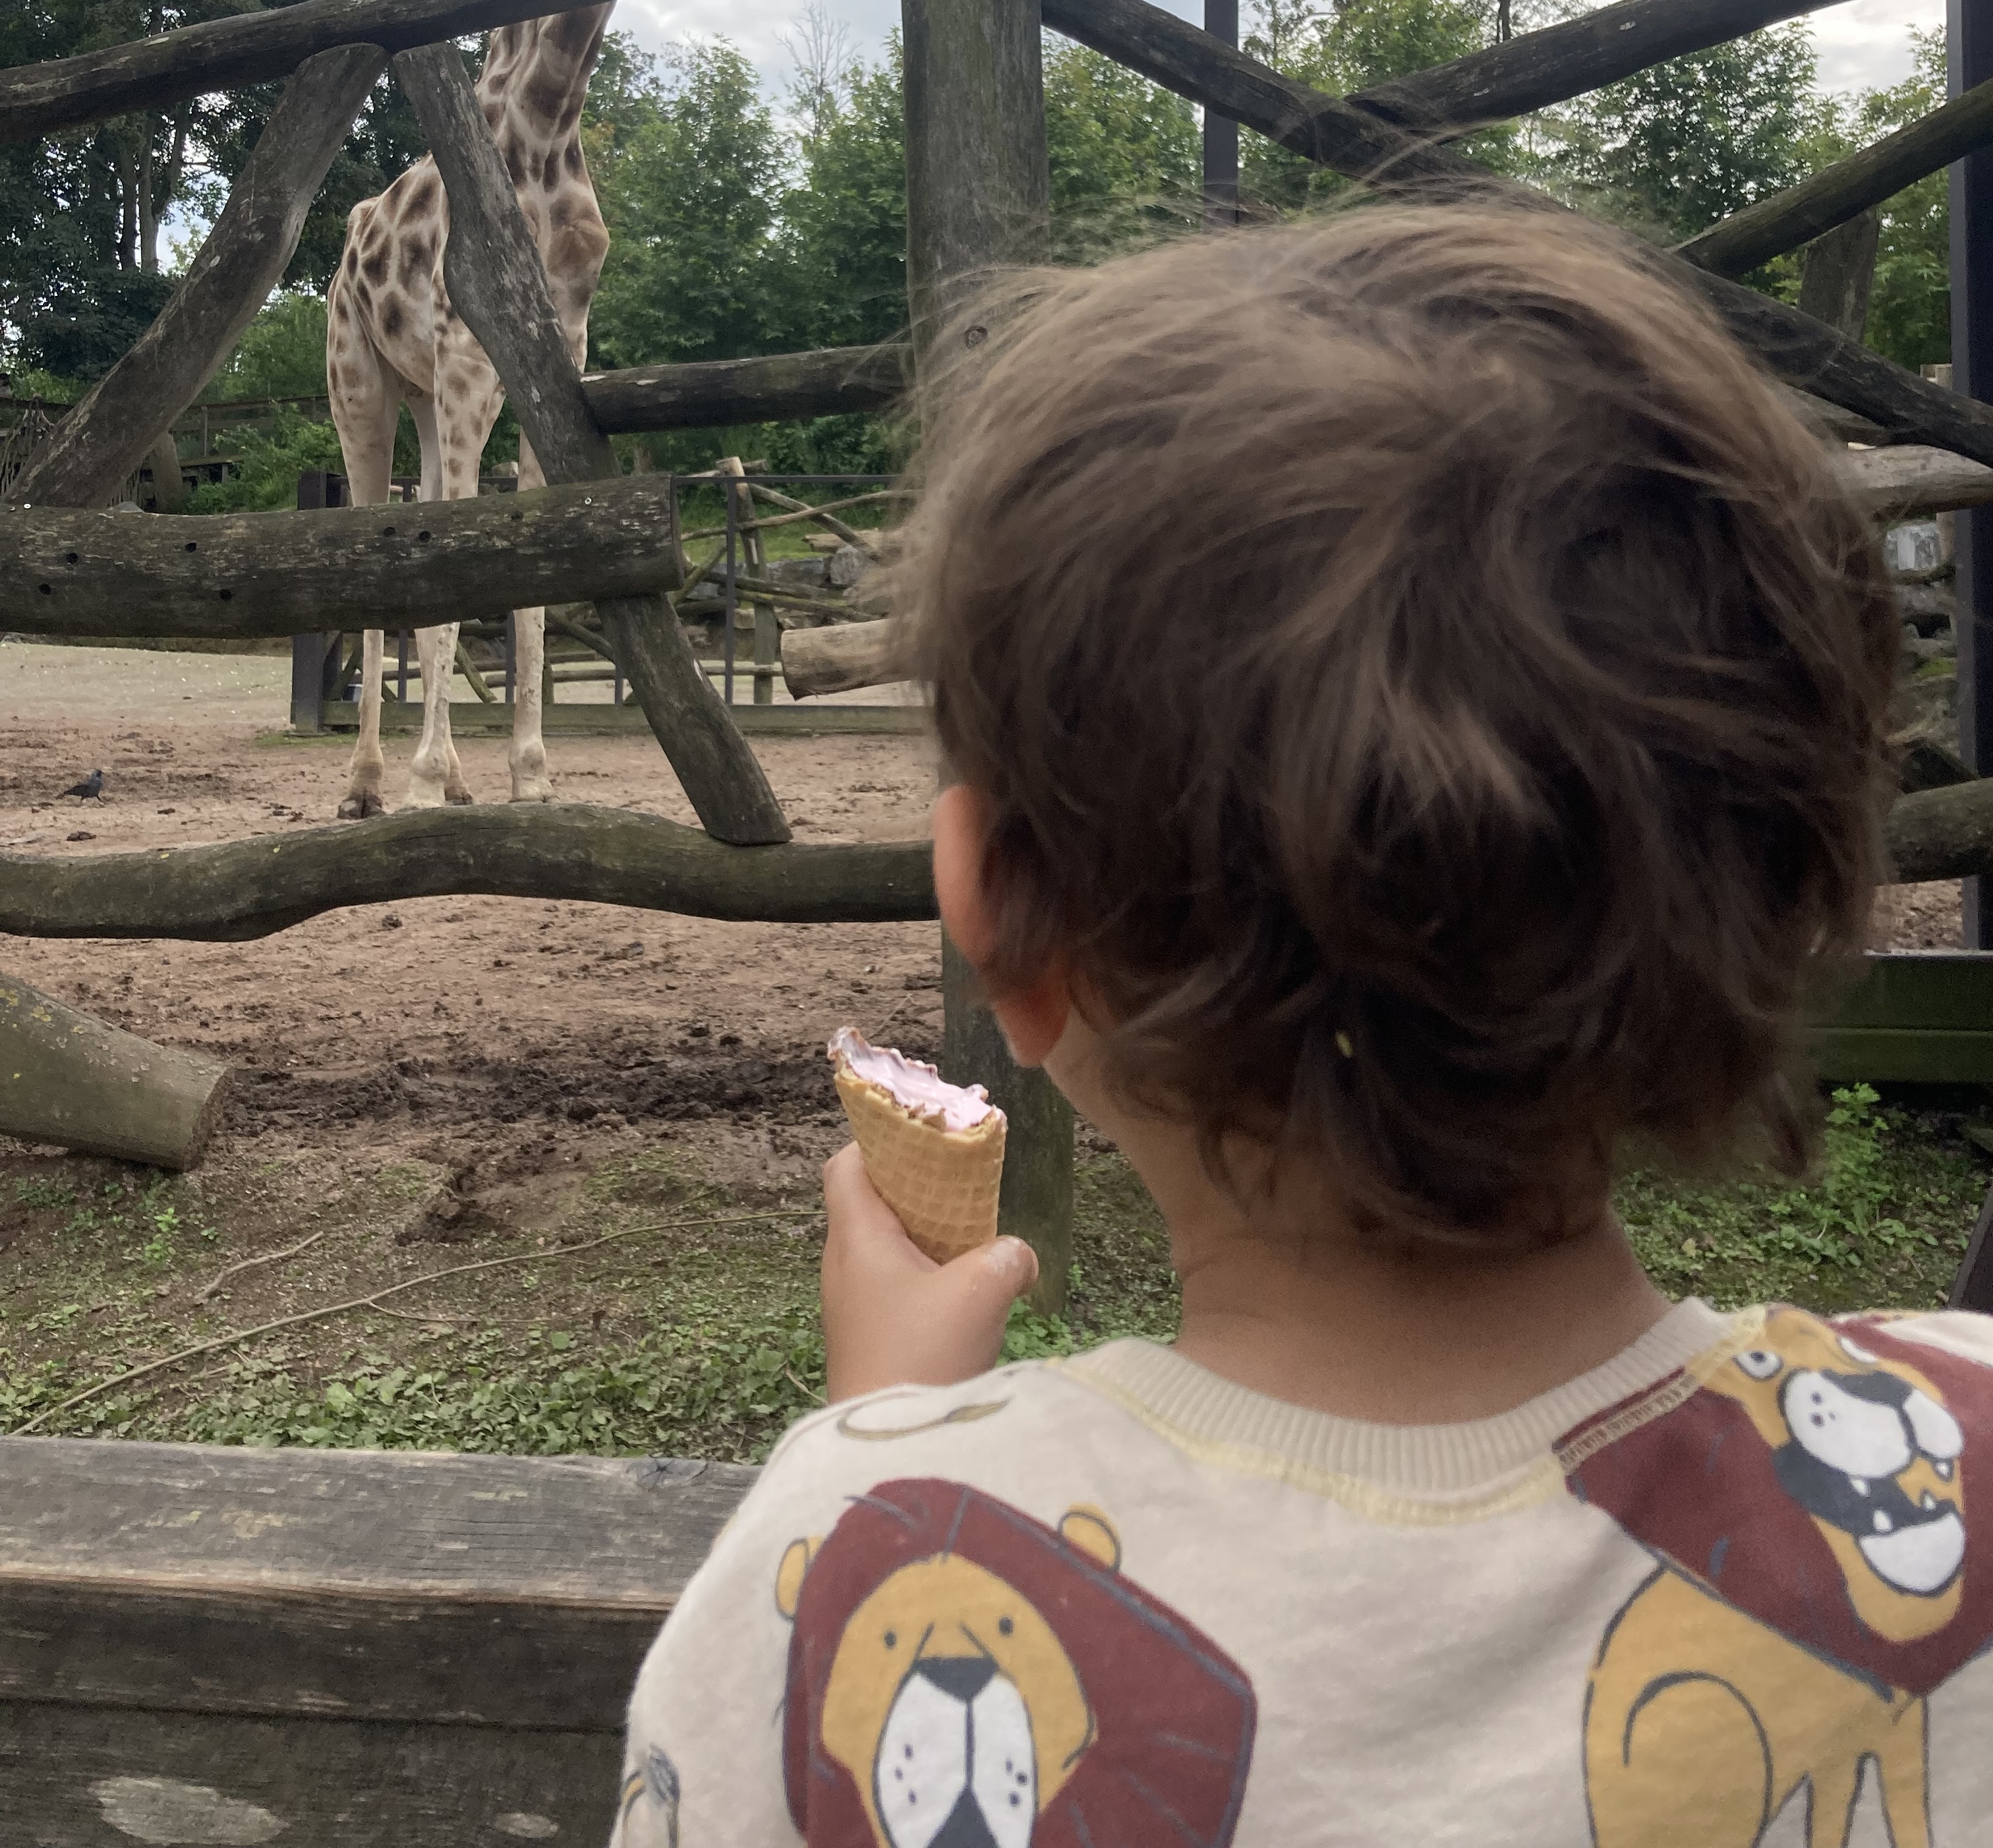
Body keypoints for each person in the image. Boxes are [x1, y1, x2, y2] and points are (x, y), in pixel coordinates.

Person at [614, 202, 1993, 1848]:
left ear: (1000, 925)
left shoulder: (829, 1594)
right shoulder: (1960, 1456)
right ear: (1794, 888)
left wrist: (873, 1458)